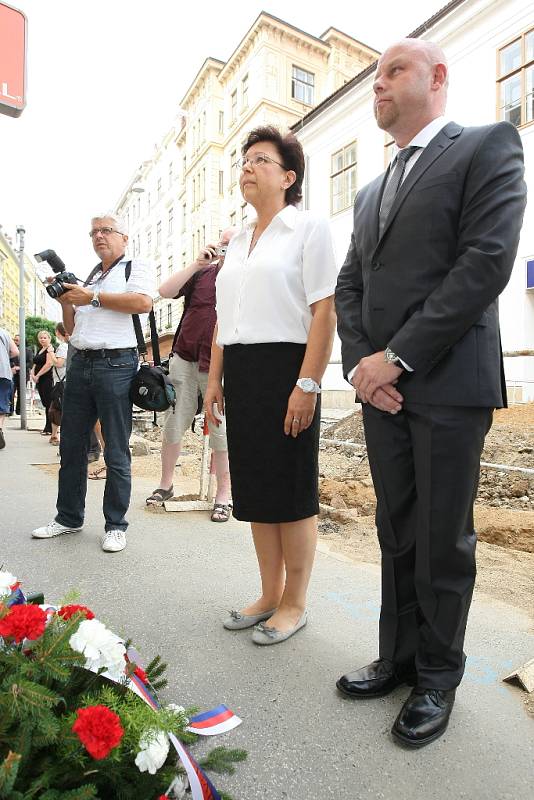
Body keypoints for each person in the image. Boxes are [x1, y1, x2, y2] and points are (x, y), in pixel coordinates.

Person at [334, 39, 526, 747]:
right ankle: (400, 657)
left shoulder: (486, 145)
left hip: (447, 381)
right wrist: (361, 364)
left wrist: (398, 358)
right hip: (380, 391)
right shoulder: (369, 190)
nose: (377, 86)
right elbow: (351, 283)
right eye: (375, 76)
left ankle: (439, 676)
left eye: (393, 72)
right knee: (396, 528)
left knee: (443, 537)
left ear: (437, 78)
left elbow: (486, 263)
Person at [205, 126, 337, 645]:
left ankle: (295, 602)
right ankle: (268, 593)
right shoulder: (236, 243)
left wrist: (308, 382)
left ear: (288, 176)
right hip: (242, 370)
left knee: (292, 489)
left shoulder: (308, 230)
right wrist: (215, 379)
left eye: (260, 159)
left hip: (289, 367)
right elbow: (222, 318)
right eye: (244, 159)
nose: (247, 167)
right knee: (258, 486)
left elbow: (324, 309)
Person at [32, 212, 154, 552]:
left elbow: (143, 302)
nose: (99, 236)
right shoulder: (90, 276)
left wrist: (92, 298)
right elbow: (71, 330)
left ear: (124, 237)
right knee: (72, 446)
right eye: (94, 232)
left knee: (116, 448)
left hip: (117, 363)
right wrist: (65, 301)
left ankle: (116, 525)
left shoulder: (135, 266)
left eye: (106, 230)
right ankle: (68, 517)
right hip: (81, 362)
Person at [146, 230, 236, 522]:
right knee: (175, 422)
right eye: (221, 242)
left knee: (220, 429)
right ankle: (165, 484)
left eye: (230, 243)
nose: (224, 248)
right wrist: (197, 264)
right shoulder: (202, 274)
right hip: (185, 356)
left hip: (221, 363)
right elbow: (165, 291)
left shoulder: (247, 276)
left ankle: (224, 495)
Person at [47, 322, 69, 445]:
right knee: (55, 409)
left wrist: (50, 352)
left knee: (58, 409)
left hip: (62, 382)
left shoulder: (63, 347)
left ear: (57, 332)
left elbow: (59, 363)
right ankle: (54, 436)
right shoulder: (65, 346)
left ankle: (58, 437)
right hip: (61, 382)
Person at [29, 330, 55, 435]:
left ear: (49, 338)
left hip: (47, 379)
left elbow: (49, 364)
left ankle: (49, 428)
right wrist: (32, 373)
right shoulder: (41, 349)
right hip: (39, 379)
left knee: (49, 403)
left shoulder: (50, 349)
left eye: (45, 338)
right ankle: (47, 426)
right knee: (45, 402)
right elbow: (36, 362)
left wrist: (38, 375)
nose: (42, 339)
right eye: (41, 338)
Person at [0, 328, 18, 449]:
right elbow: (15, 351)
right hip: (4, 372)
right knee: (1, 405)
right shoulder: (4, 332)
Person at [9, 334, 32, 416]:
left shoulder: (28, 351)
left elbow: (30, 363)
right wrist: (13, 367)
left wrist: (20, 367)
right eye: (14, 340)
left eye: (17, 340)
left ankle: (19, 411)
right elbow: (8, 359)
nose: (15, 342)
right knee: (11, 392)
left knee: (21, 393)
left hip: (23, 375)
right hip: (12, 374)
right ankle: (9, 411)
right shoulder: (10, 350)